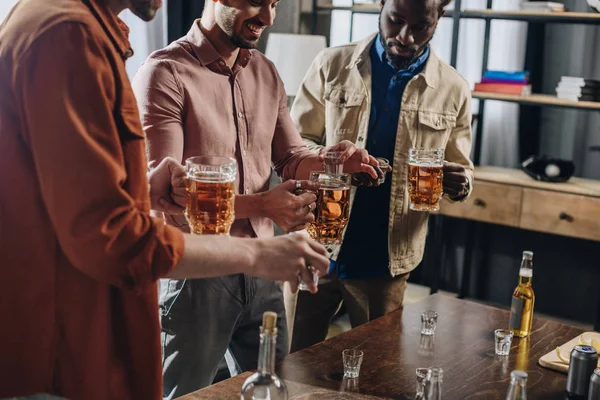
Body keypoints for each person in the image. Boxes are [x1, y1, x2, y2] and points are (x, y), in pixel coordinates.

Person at [0, 0, 330, 399]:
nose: (268, 16)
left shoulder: (65, 24)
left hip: (67, 329)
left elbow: (68, 189)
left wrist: (141, 189)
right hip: (66, 337)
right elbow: (112, 235)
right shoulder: (73, 36)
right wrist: (260, 253)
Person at [131, 0, 381, 397]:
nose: (266, 17)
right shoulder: (164, 73)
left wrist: (334, 159)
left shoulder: (265, 71)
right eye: (254, 1)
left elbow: (290, 157)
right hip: (199, 275)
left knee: (270, 391)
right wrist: (263, 204)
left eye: (274, 3)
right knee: (187, 395)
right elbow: (170, 202)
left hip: (265, 268)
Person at [289, 0, 474, 352]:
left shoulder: (454, 88)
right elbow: (295, 144)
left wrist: (461, 183)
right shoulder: (331, 64)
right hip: (314, 241)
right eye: (396, 20)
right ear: (381, 5)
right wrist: (333, 161)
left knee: (374, 372)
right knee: (293, 360)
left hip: (386, 258)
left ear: (439, 19)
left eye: (420, 26)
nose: (405, 36)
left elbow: (461, 169)